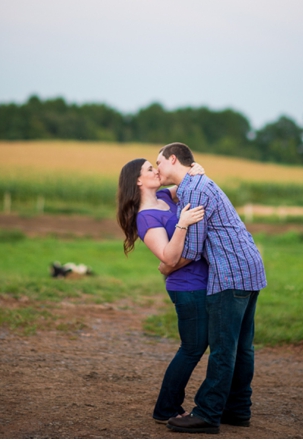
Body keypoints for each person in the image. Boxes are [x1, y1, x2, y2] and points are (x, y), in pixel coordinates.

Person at [156, 142, 267, 435]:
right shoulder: (201, 182)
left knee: (222, 349)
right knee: (243, 347)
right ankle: (238, 410)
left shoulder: (193, 191)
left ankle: (207, 413)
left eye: (159, 163)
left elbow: (191, 250)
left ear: (174, 159)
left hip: (229, 273)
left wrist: (166, 266)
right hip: (250, 267)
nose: (157, 169)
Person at [115, 158, 207, 424]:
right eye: (149, 169)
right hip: (187, 287)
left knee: (197, 346)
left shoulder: (166, 196)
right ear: (138, 181)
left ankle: (174, 404)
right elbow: (167, 258)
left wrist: (195, 171)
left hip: (200, 282)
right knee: (192, 347)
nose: (156, 171)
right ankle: (166, 408)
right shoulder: (146, 218)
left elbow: (188, 184)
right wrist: (183, 224)